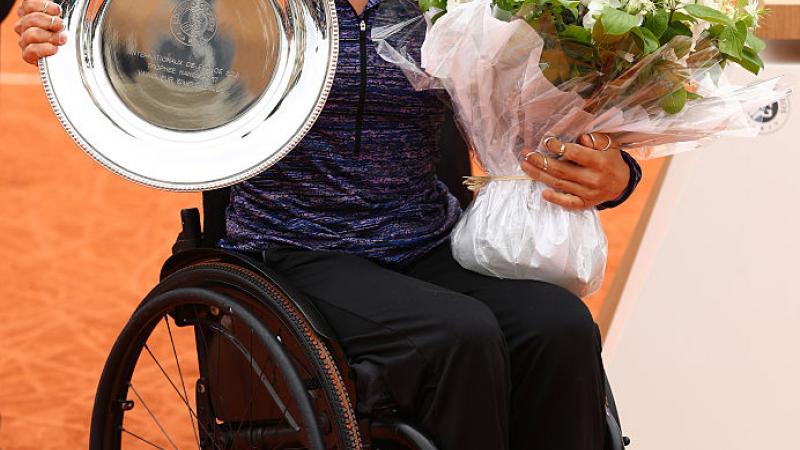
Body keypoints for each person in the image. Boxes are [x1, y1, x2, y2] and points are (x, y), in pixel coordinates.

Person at [15, 0, 641, 448]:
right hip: (294, 247)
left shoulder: (448, 9)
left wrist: (618, 174)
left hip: (424, 238)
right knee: (459, 333)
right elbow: (138, 38)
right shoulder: (259, 10)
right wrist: (61, 32)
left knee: (557, 324)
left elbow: (543, 113)